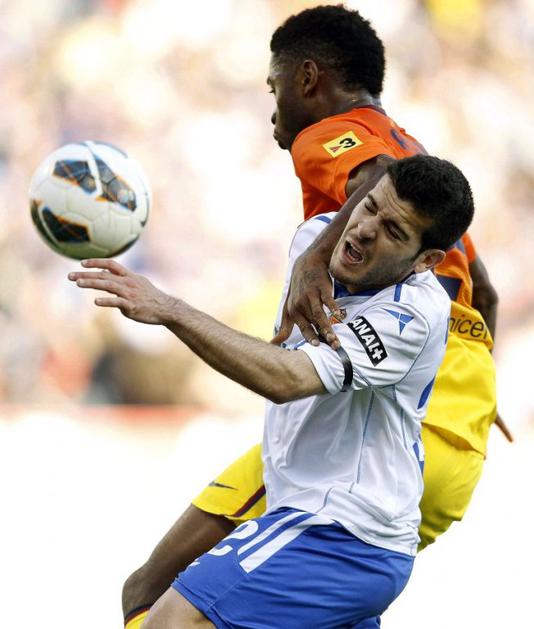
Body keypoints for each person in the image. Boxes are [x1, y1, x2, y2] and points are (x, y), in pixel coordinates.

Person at [120, 6, 500, 628]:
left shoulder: (336, 138)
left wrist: (316, 257)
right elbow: (484, 290)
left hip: (379, 449)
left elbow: (373, 178)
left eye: (274, 86)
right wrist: (476, 390)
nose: (272, 109)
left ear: (306, 78)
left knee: (153, 594)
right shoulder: (420, 166)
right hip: (456, 427)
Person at [71, 155, 475, 628]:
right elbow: (374, 169)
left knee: (170, 621)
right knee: (142, 593)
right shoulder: (316, 241)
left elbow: (286, 379)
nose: (366, 230)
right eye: (369, 208)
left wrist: (170, 310)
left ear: (426, 261)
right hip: (303, 499)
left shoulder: (411, 315)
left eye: (393, 231)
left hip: (345, 528)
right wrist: (316, 255)